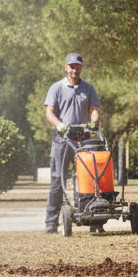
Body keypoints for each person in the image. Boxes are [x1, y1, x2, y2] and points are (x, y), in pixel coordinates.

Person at [44, 52, 101, 234]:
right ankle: (51, 223)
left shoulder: (88, 88)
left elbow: (94, 110)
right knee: (57, 179)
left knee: (90, 178)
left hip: (83, 139)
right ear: (66, 67)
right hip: (62, 138)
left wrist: (93, 122)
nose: (74, 69)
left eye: (77, 66)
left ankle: (95, 219)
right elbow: (49, 112)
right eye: (71, 66)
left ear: (81, 68)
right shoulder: (57, 87)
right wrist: (59, 125)